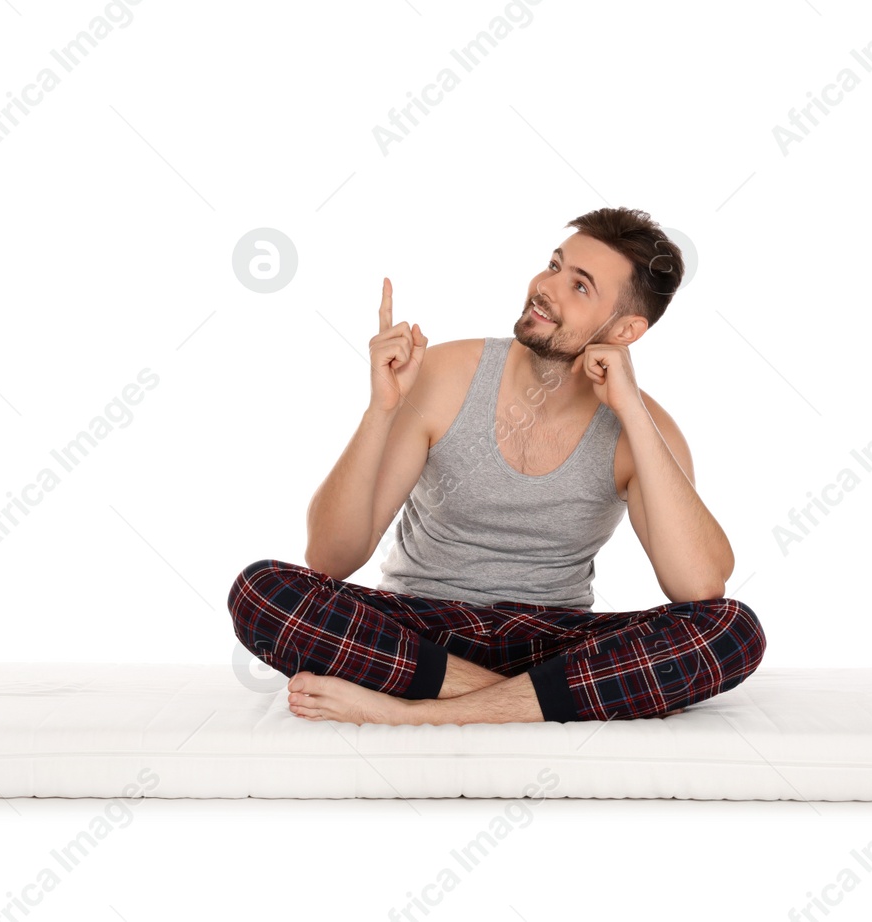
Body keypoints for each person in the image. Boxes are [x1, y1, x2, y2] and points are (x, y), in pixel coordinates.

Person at [227, 207, 765, 725]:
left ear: (625, 331)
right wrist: (381, 409)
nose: (547, 287)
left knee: (733, 631)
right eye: (555, 265)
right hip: (421, 631)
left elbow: (699, 588)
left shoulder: (646, 432)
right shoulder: (443, 374)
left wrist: (632, 411)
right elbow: (329, 557)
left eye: (580, 286)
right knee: (261, 591)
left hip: (553, 641)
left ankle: (413, 712)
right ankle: (525, 705)